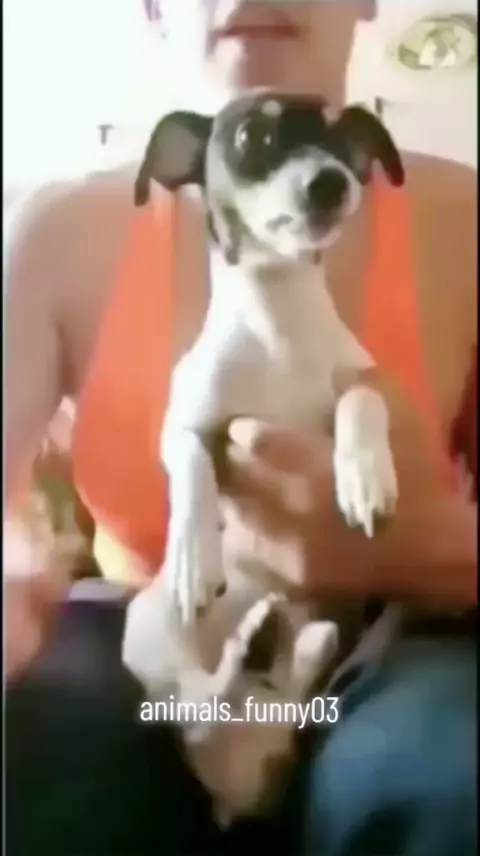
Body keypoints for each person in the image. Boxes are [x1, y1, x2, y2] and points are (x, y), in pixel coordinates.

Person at [4, 2, 477, 854]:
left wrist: (433, 546)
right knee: (36, 763)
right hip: (150, 639)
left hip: (393, 641)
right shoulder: (54, 232)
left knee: (446, 777)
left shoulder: (467, 224)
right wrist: (20, 575)